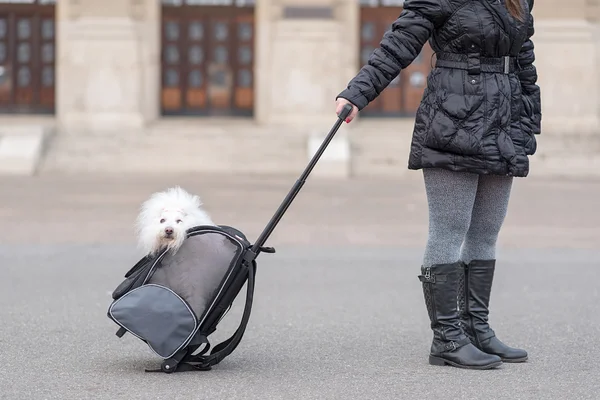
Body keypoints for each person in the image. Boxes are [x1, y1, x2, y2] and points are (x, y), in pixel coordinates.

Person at [336, 0, 541, 370]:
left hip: (502, 123)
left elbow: (524, 60)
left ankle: (476, 328)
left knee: (485, 232)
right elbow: (399, 44)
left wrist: (528, 123)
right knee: (448, 230)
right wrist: (357, 94)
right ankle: (447, 338)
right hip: (452, 119)